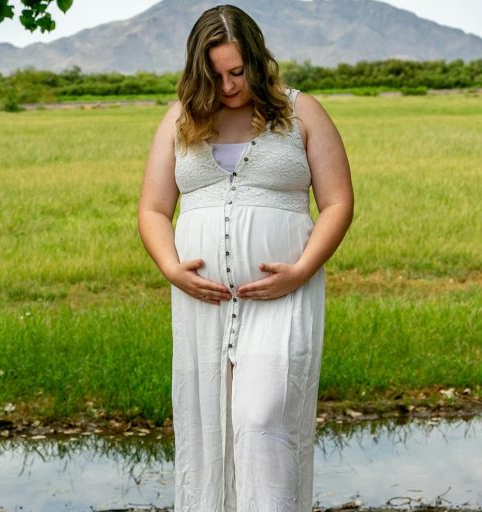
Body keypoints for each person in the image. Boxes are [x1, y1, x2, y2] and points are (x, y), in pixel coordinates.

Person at [137, 4, 353, 512]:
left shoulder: (303, 112)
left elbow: (338, 203)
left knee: (262, 420)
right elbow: (152, 208)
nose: (229, 86)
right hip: (203, 304)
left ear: (258, 62)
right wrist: (172, 268)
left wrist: (300, 270)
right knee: (210, 426)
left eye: (238, 72)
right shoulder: (178, 120)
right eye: (215, 75)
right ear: (197, 72)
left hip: (284, 295)